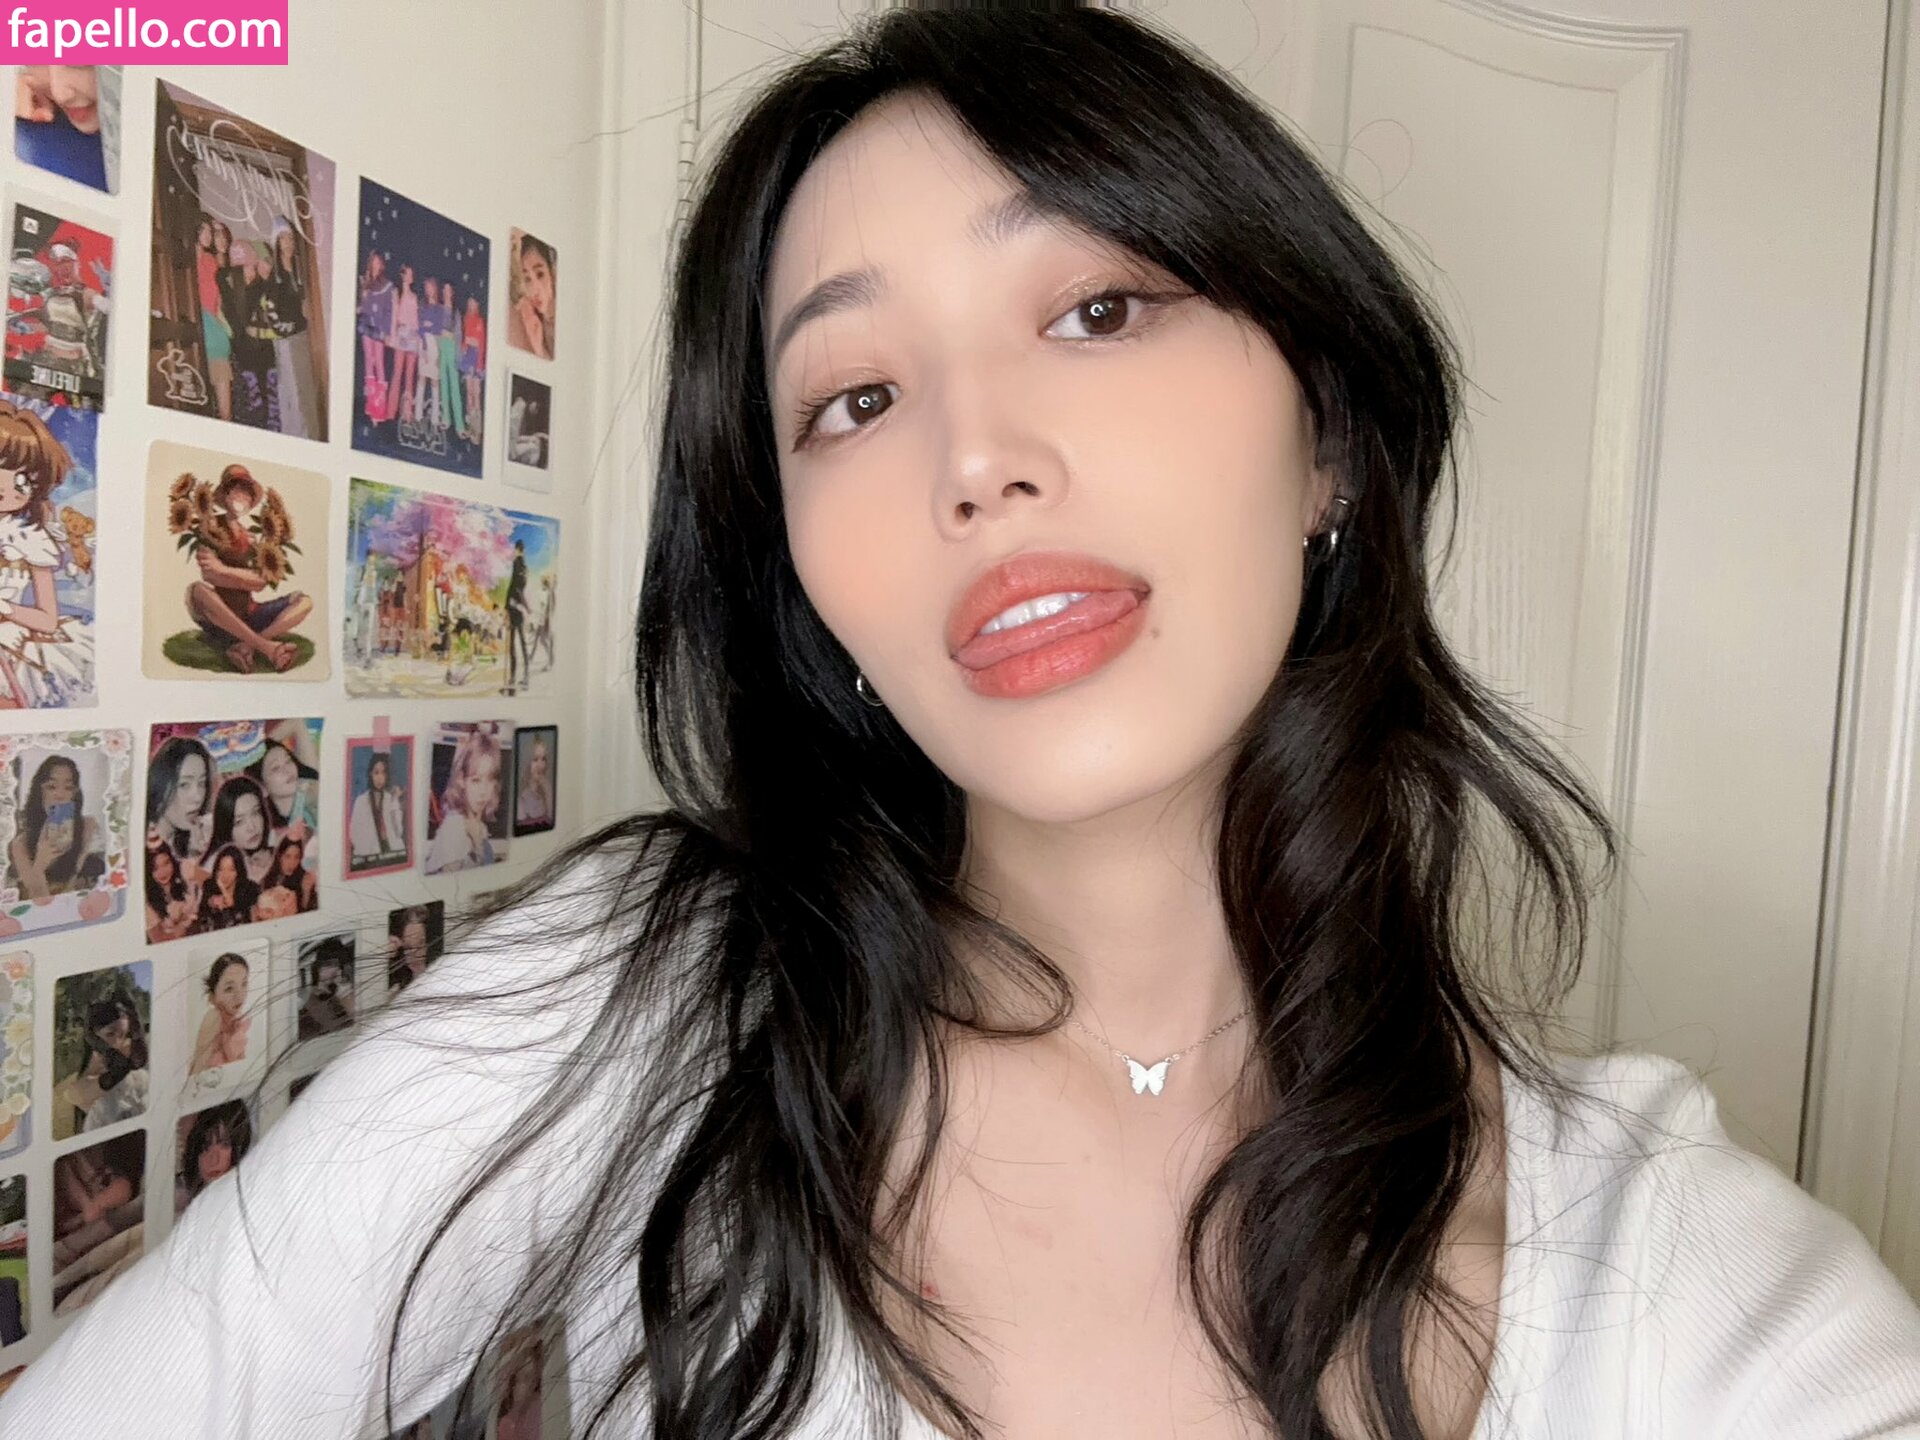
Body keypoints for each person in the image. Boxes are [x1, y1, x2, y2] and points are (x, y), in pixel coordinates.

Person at [5, 10, 1919, 1439]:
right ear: (802, 576)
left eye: (1096, 309)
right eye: (852, 398)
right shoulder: (631, 1007)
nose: (978, 460)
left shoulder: (1677, 1278)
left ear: (1329, 437)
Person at [0, 398, 95, 708]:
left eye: (21, 480)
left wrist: (6, 609)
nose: (5, 488)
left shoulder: (32, 542)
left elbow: (47, 618)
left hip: (10, 641)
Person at [183, 465, 312, 674]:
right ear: (225, 495)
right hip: (220, 615)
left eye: (247, 494)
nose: (242, 498)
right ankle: (269, 648)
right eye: (237, 491)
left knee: (304, 601)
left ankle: (247, 646)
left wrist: (223, 570)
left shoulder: (251, 538)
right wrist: (241, 578)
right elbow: (209, 574)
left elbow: (260, 583)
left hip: (249, 613)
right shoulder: (210, 527)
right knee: (197, 591)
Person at [6, 753, 102, 899]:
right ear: (39, 792)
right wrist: (40, 864)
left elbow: (71, 884)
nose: (60, 795)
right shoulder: (21, 844)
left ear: (74, 794)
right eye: (51, 787)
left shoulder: (87, 826)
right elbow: (38, 900)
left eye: (68, 787)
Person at [52, 992, 147, 1136]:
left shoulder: (137, 1078)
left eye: (124, 1035)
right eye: (110, 1034)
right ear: (93, 1039)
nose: (119, 1043)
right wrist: (115, 1061)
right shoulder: (78, 1087)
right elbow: (79, 1093)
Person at [423, 727, 503, 874]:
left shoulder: (480, 828)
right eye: (476, 780)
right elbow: (451, 884)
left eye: (490, 780)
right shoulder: (454, 828)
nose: (483, 791)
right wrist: (477, 847)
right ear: (461, 780)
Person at [187, 954, 249, 1076]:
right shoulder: (214, 1017)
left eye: (244, 984)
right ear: (214, 993)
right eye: (229, 988)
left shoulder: (236, 1022)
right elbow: (196, 1074)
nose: (240, 996)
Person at [348, 749, 407, 868]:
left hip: (393, 855)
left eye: (383, 773)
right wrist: (368, 851)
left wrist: (395, 802)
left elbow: (399, 832)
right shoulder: (361, 801)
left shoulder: (391, 799)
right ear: (370, 774)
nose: (380, 777)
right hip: (370, 858)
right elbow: (354, 834)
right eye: (376, 772)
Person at [509, 233, 555, 360]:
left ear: (552, 273)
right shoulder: (532, 317)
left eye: (540, 274)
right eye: (527, 279)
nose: (535, 290)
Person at [191, 844, 256, 934]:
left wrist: (226, 895)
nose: (225, 875)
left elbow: (247, 919)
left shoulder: (250, 887)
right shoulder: (209, 885)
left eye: (231, 870)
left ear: (239, 870)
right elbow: (201, 914)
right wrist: (211, 903)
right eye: (221, 869)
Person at [251, 834, 315, 921]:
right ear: (280, 856)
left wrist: (306, 892)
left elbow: (308, 916)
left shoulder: (305, 879)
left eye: (296, 857)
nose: (292, 862)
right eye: (287, 856)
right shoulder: (268, 879)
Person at [503, 539, 529, 694]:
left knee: (513, 643)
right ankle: (525, 676)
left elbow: (514, 585)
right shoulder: (525, 566)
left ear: (518, 549)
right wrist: (524, 605)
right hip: (519, 606)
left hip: (514, 606)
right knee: (522, 642)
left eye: (515, 549)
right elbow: (521, 587)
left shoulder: (516, 563)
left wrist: (507, 605)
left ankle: (513, 677)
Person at [514, 735, 552, 831]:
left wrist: (548, 792)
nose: (541, 765)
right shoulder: (520, 798)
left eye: (543, 759)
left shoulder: (546, 789)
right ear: (526, 761)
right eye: (535, 759)